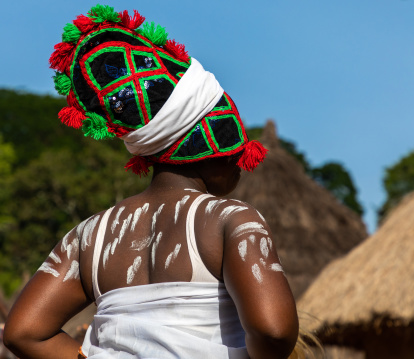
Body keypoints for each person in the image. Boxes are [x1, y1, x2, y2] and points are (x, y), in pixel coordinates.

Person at [3, 5, 299, 359]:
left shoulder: (88, 236)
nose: (241, 156)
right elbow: (274, 330)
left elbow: (23, 332)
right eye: (228, 133)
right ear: (202, 142)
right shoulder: (232, 221)